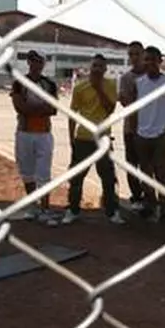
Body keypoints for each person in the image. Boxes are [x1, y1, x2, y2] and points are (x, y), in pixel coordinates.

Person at [62, 54, 124, 226]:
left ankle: (112, 211)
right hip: (83, 138)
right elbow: (72, 115)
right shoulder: (80, 87)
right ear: (90, 67)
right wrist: (71, 138)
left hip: (103, 138)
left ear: (105, 69)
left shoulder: (110, 85)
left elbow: (110, 109)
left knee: (108, 177)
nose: (97, 69)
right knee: (76, 177)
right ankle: (72, 209)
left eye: (100, 67)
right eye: (94, 66)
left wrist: (98, 88)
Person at [125, 45, 165, 225]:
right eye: (146, 59)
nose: (149, 63)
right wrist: (134, 131)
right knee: (146, 173)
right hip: (142, 135)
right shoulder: (138, 83)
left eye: (152, 59)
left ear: (160, 61)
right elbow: (132, 110)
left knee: (163, 175)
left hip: (161, 136)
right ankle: (150, 205)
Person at [11, 50, 60, 226]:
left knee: (44, 172)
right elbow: (19, 107)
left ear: (43, 63)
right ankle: (32, 205)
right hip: (24, 132)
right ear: (28, 63)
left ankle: (45, 208)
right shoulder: (19, 83)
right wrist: (40, 108)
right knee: (27, 171)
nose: (35, 64)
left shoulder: (49, 84)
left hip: (43, 133)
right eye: (32, 60)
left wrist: (31, 108)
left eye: (39, 61)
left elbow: (53, 109)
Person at [118, 41, 147, 209]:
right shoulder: (126, 78)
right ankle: (136, 196)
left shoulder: (151, 76)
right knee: (132, 164)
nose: (134, 58)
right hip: (131, 128)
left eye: (137, 54)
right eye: (131, 54)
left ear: (143, 54)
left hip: (149, 128)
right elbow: (125, 102)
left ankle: (149, 195)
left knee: (148, 165)